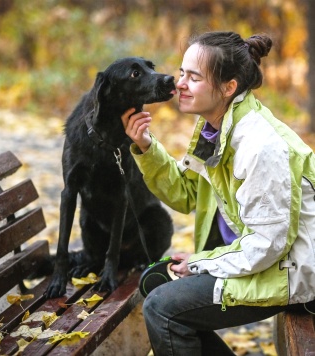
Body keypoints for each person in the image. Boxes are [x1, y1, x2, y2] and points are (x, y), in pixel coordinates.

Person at [121, 31, 315, 355]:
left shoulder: (259, 147)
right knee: (155, 285)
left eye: (193, 77)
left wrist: (201, 263)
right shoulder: (217, 127)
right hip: (267, 259)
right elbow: (185, 193)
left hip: (293, 273)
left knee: (162, 309)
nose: (179, 83)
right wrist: (145, 145)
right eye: (182, 72)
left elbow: (268, 244)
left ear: (229, 87)